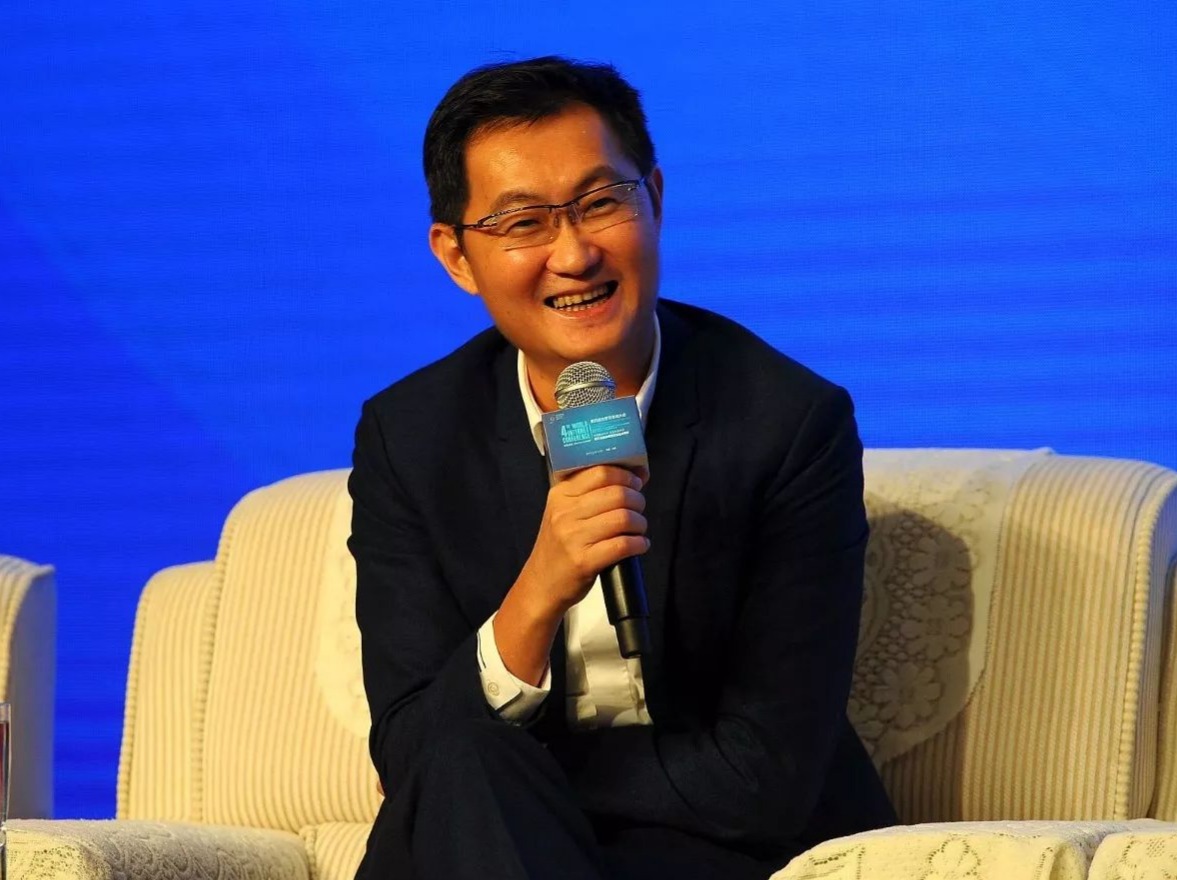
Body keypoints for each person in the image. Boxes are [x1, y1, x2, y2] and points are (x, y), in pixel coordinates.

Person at [348, 56, 896, 880]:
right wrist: (538, 591)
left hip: (714, 849)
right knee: (464, 764)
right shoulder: (411, 436)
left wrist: (518, 775)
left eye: (601, 202)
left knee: (467, 764)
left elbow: (764, 779)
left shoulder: (786, 424)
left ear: (656, 200)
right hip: (486, 828)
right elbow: (404, 745)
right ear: (456, 257)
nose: (574, 254)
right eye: (524, 222)